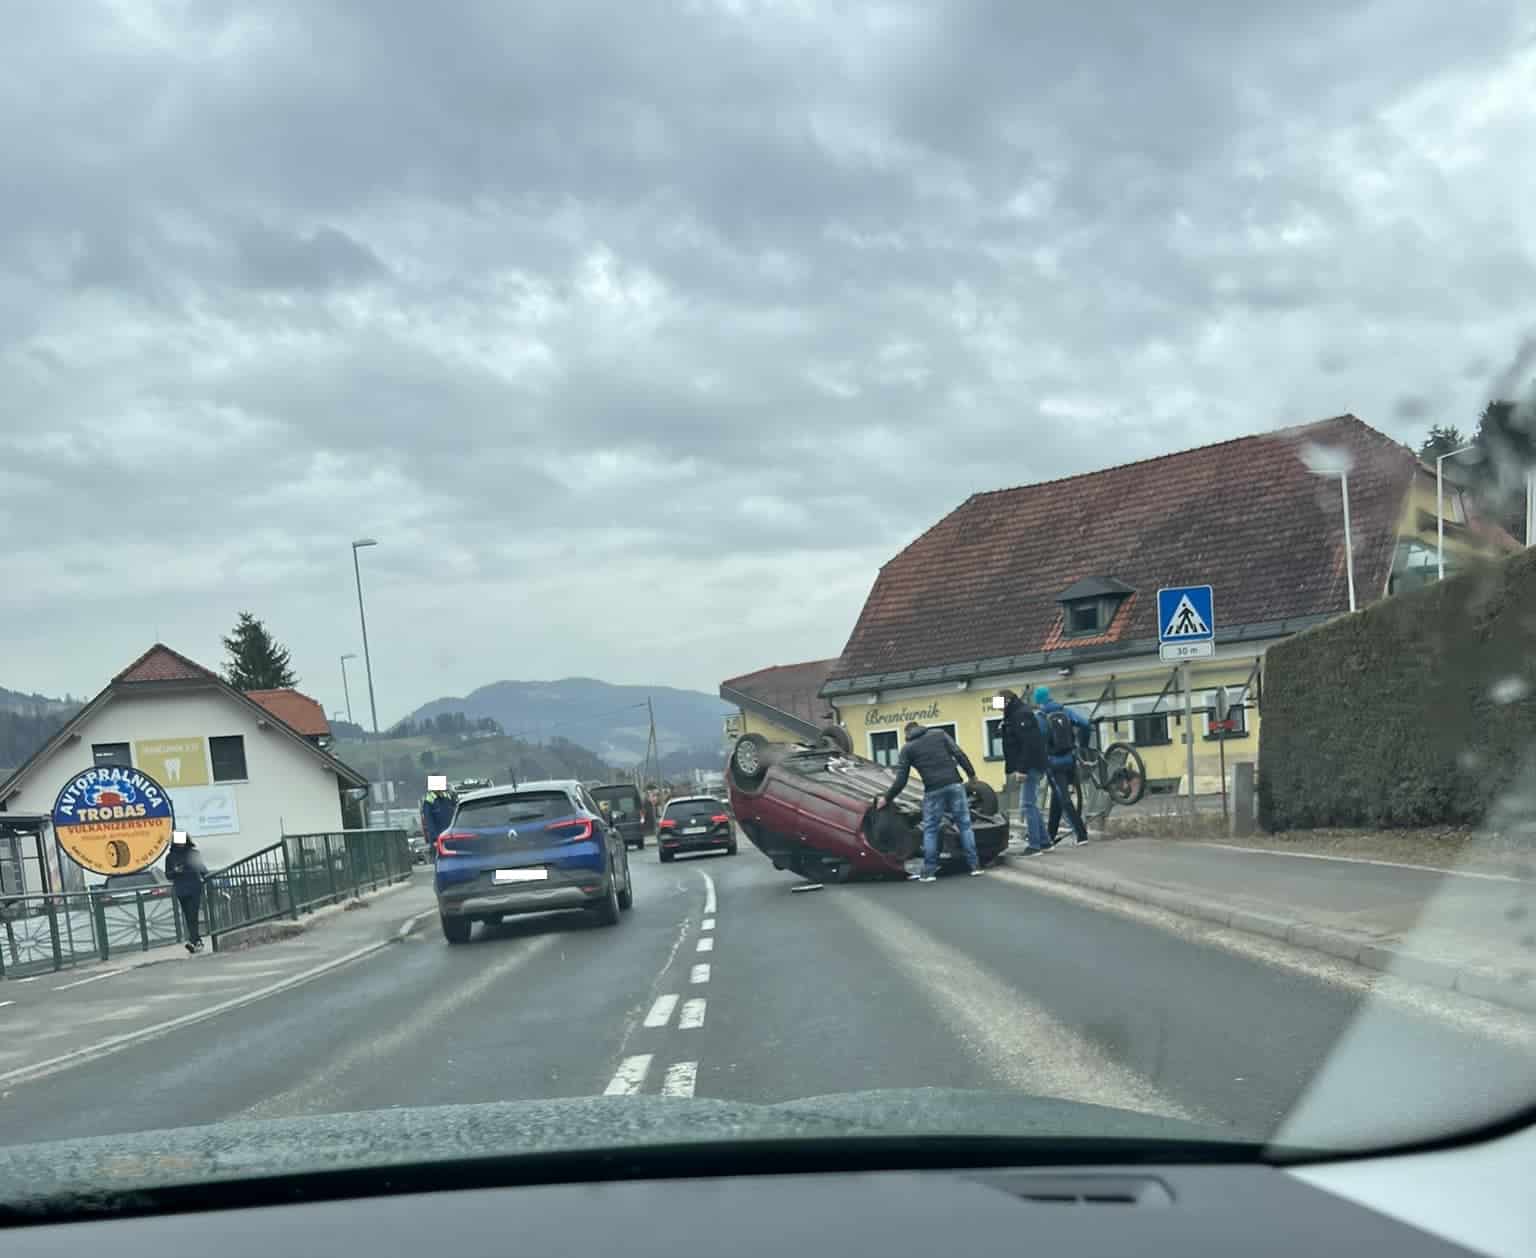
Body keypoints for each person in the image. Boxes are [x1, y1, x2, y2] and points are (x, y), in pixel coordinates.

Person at [876, 721, 982, 882]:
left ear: (907, 734)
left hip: (933, 790)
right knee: (965, 825)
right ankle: (975, 866)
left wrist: (887, 798)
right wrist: (972, 775)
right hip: (955, 784)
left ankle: (929, 872)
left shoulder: (908, 749)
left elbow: (901, 779)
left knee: (931, 830)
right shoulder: (939, 734)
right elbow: (959, 754)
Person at [1034, 686, 1091, 845]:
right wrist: (1083, 746)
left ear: (1038, 701)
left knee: (1064, 799)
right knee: (1057, 797)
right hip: (1070, 761)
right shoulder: (1065, 711)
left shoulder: (1040, 717)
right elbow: (1085, 724)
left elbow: (1036, 741)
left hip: (1054, 764)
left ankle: (1081, 834)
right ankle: (1050, 836)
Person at [996, 689, 1050, 854]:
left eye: (998, 703)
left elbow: (1029, 744)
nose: (997, 707)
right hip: (1030, 765)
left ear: (1007, 701)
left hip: (1030, 766)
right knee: (1030, 804)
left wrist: (1022, 769)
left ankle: (1035, 845)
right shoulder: (1014, 715)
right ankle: (1045, 841)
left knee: (1028, 804)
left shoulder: (1020, 715)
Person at [165, 831, 207, 953]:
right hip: (181, 889)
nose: (180, 844)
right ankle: (197, 941)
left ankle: (193, 941)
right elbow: (168, 875)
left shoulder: (194, 853)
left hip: (194, 887)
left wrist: (208, 877)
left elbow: (202, 869)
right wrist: (175, 871)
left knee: (193, 914)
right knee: (188, 916)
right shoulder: (170, 857)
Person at [420, 778, 457, 852]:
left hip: (450, 836)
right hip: (438, 838)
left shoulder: (447, 797)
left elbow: (455, 812)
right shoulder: (429, 801)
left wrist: (454, 795)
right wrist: (435, 839)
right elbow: (429, 822)